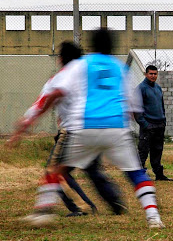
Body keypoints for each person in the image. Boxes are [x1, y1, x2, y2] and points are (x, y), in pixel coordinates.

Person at [9, 29, 165, 228]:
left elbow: (56, 92)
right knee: (136, 173)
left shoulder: (80, 65)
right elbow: (132, 106)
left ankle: (42, 212)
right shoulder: (120, 68)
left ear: (92, 45)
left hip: (85, 127)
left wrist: (30, 121)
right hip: (116, 127)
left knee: (58, 169)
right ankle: (153, 217)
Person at [9, 42, 125, 221]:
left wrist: (24, 124)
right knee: (91, 168)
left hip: (74, 131)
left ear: (60, 59)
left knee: (54, 170)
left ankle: (62, 208)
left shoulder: (62, 76)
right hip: (96, 128)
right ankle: (116, 203)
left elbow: (45, 100)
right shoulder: (90, 72)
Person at [134, 65, 172, 181]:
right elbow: (136, 109)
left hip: (159, 125)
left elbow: (161, 106)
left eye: (155, 74)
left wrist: (163, 120)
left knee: (157, 151)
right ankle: (139, 175)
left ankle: (159, 174)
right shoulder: (141, 88)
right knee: (143, 151)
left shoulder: (158, 88)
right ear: (146, 74)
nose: (153, 76)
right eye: (151, 73)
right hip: (148, 125)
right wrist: (145, 124)